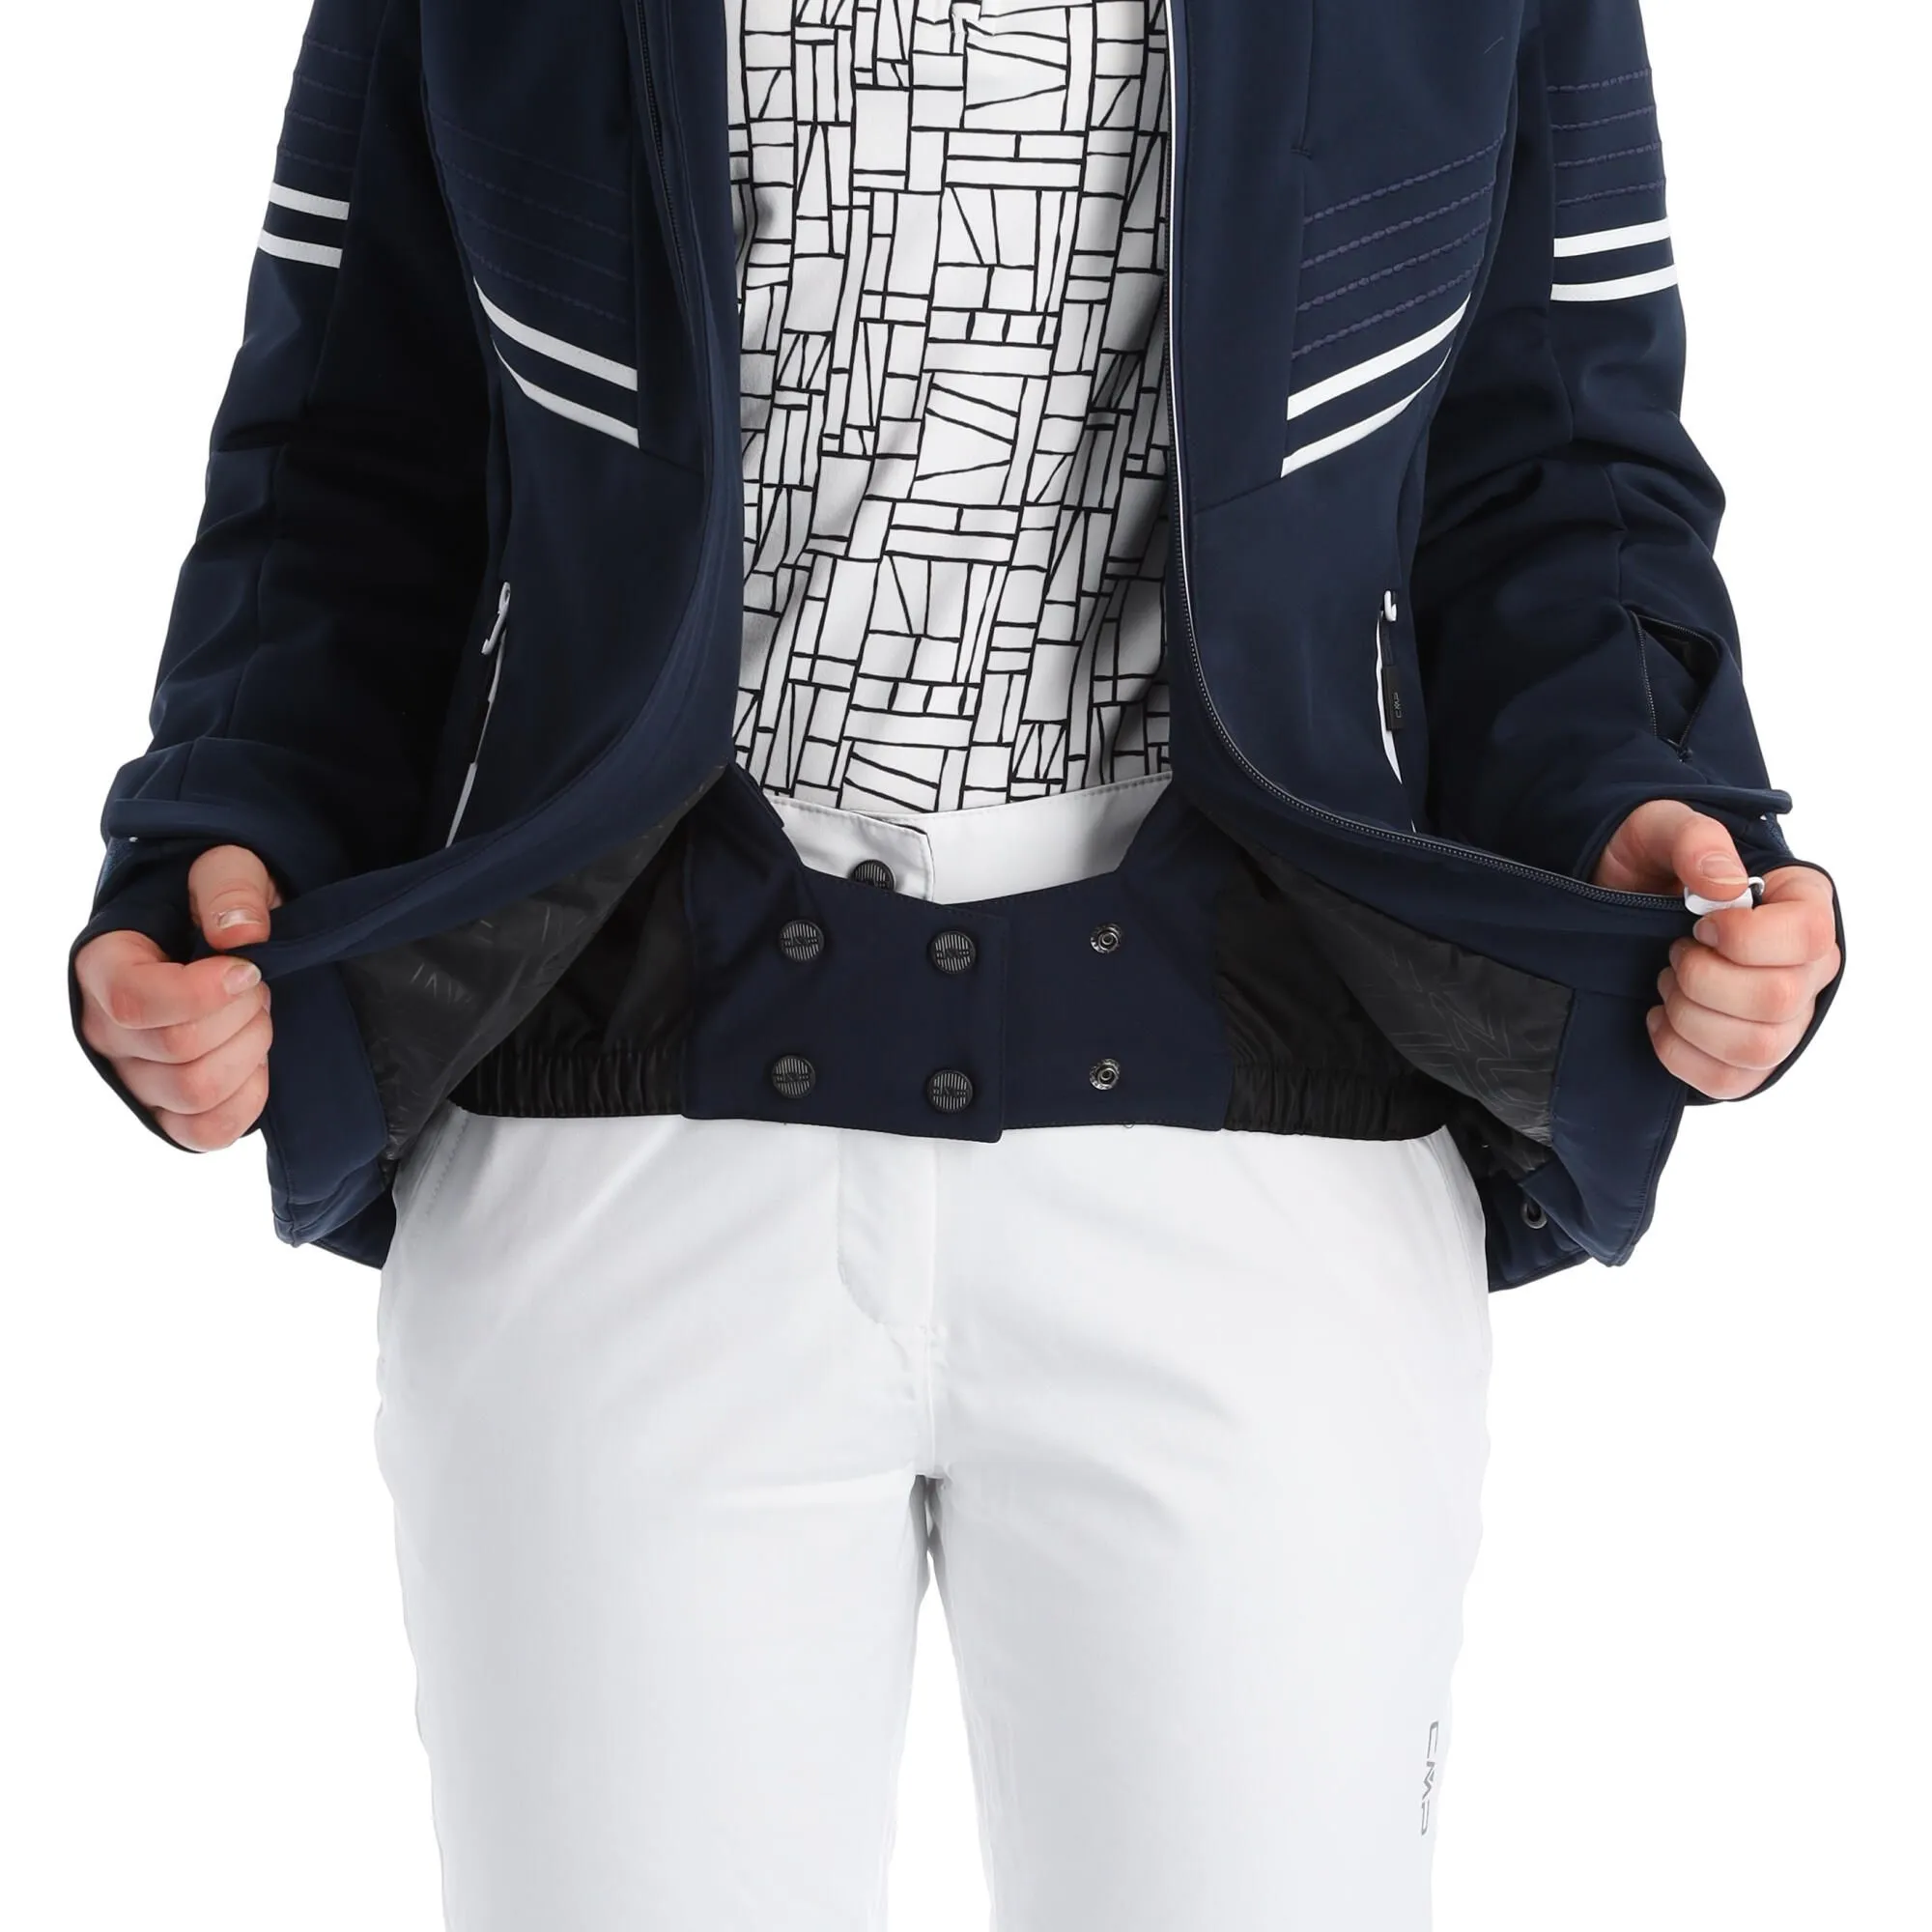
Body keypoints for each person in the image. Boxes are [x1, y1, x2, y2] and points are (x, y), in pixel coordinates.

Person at [68, 0, 1844, 1925]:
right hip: (618, 1128)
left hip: (1260, 1158)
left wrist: (1646, 805)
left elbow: (1551, 460)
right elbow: (354, 446)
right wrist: (231, 844)